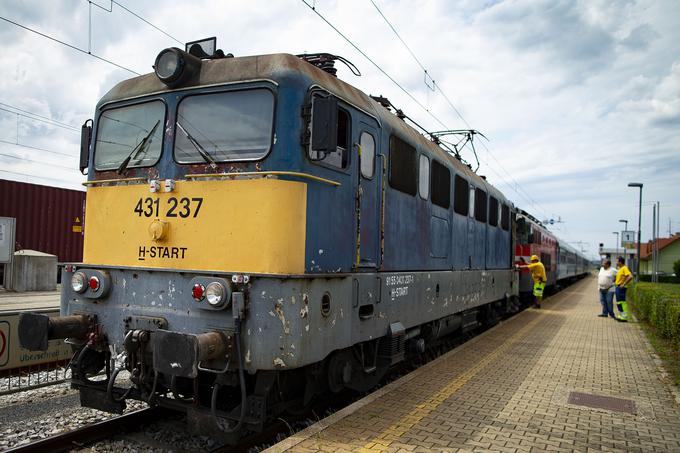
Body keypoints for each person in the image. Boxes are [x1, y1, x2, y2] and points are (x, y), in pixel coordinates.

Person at [614, 256, 633, 322]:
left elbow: (630, 276)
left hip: (621, 288)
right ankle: (621, 315)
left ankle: (624, 317)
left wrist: (624, 284)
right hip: (618, 287)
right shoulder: (620, 269)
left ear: (620, 262)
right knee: (619, 302)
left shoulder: (625, 268)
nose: (616, 262)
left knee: (622, 302)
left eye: (617, 261)